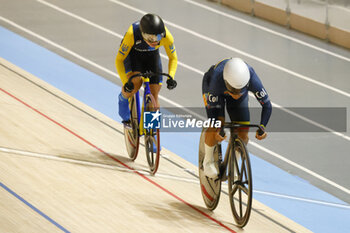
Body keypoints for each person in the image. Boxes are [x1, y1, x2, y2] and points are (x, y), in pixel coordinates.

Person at [202, 57, 272, 178]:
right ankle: (207, 162)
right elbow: (211, 112)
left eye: (239, 90)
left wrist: (262, 126)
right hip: (214, 90)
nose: (236, 94)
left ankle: (234, 165)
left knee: (243, 132)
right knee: (216, 125)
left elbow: (267, 105)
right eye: (233, 90)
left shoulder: (252, 78)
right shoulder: (216, 79)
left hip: (232, 92)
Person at [116, 13, 178, 124]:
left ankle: (151, 131)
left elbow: (173, 58)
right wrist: (126, 83)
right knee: (135, 85)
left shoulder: (167, 37)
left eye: (158, 37)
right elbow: (119, 60)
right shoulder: (132, 34)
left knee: (154, 93)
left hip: (152, 56)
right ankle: (123, 98)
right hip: (133, 55)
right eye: (151, 38)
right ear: (143, 34)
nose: (155, 41)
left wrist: (171, 77)